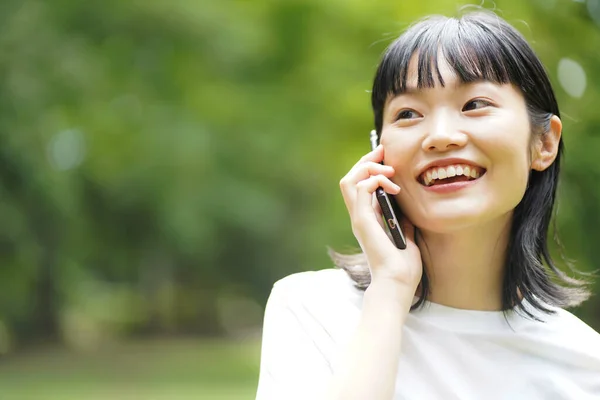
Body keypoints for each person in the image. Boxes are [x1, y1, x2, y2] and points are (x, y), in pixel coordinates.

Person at [255, 9, 600, 400]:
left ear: (544, 143)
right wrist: (391, 288)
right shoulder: (311, 309)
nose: (440, 136)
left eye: (474, 104)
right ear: (378, 153)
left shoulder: (586, 367)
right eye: (408, 114)